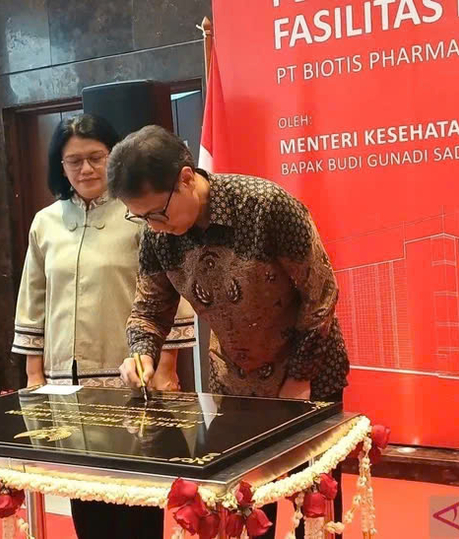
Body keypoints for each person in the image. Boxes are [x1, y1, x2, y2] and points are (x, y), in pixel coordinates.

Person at [108, 125, 350, 539]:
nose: (154, 225)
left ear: (186, 178)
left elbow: (321, 293)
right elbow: (149, 308)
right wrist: (143, 354)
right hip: (234, 384)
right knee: (244, 508)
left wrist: (299, 377)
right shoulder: (159, 237)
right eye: (141, 216)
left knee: (311, 505)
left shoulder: (265, 207)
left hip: (308, 377)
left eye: (158, 213)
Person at [11, 114, 195, 538]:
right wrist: (33, 375)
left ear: (113, 157)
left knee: (134, 494)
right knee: (85, 495)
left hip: (130, 378)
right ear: (60, 166)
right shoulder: (46, 223)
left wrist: (167, 368)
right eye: (73, 161)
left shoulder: (139, 214)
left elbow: (170, 296)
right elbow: (32, 299)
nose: (85, 169)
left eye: (95, 157)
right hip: (64, 386)